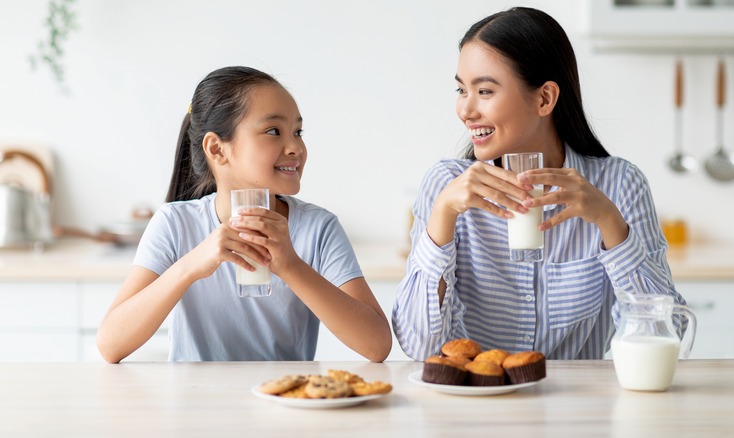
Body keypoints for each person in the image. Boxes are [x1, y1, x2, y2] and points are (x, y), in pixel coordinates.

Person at [392, 7, 685, 361]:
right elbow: (417, 346)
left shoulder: (619, 185)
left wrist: (609, 221)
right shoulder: (447, 186)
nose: (465, 110)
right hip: (475, 407)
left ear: (544, 98)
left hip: (579, 408)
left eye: (484, 91)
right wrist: (442, 217)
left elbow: (670, 333)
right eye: (461, 90)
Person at [97, 66, 391, 363]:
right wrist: (191, 266)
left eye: (298, 132)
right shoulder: (175, 224)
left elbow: (377, 345)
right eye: (274, 131)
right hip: (195, 405)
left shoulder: (319, 229)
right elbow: (110, 345)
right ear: (217, 149)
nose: (296, 147)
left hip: (283, 401)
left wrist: (290, 266)